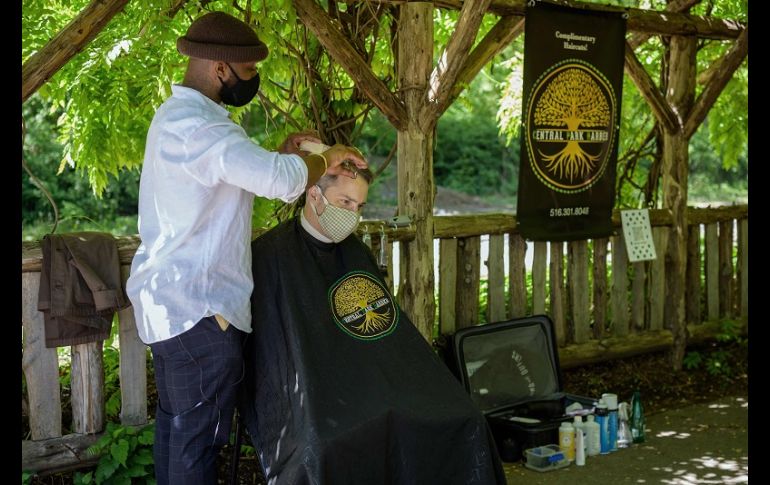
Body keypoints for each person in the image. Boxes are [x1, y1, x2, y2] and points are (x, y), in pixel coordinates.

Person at [124, 11, 367, 484]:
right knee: (196, 443)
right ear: (221, 69)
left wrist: (288, 154)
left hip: (177, 306)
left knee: (180, 435)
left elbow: (237, 175)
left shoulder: (186, 120)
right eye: (250, 72)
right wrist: (325, 156)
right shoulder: (198, 127)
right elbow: (280, 182)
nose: (252, 81)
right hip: (199, 308)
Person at [239, 164, 506, 484]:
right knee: (325, 448)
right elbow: (275, 352)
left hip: (381, 385)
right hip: (324, 401)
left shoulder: (356, 252)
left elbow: (387, 334)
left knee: (466, 418)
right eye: (345, 202)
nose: (353, 214)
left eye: (359, 206)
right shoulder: (271, 256)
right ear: (314, 194)